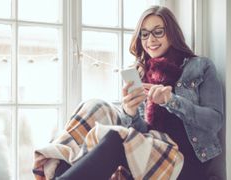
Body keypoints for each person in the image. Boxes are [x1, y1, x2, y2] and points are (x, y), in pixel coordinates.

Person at [33, 6, 223, 180]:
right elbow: (140, 132)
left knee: (116, 137)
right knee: (95, 106)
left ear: (172, 34)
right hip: (150, 149)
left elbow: (214, 121)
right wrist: (130, 112)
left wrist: (171, 100)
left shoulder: (199, 66)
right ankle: (54, 168)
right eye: (144, 34)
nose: (151, 40)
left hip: (183, 161)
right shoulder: (140, 74)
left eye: (158, 32)